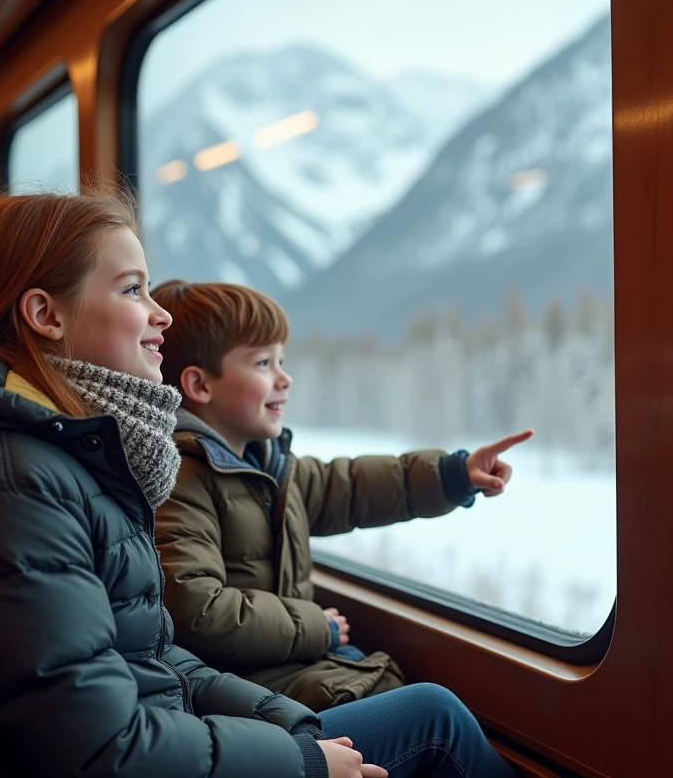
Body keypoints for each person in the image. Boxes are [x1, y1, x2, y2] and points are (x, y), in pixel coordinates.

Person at [0, 191, 520, 778]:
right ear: (45, 314)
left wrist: (290, 727)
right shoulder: (6, 483)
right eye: (131, 290)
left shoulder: (56, 456)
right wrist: (301, 762)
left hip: (172, 738)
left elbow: (152, 658)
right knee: (435, 722)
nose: (161, 317)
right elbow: (100, 749)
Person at [150, 280, 532, 712]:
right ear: (200, 385)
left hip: (284, 663)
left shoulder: (269, 471)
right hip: (243, 688)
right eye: (263, 363)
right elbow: (197, 611)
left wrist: (453, 474)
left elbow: (353, 486)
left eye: (282, 360)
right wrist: (318, 627)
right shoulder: (181, 478)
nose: (284, 378)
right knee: (429, 713)